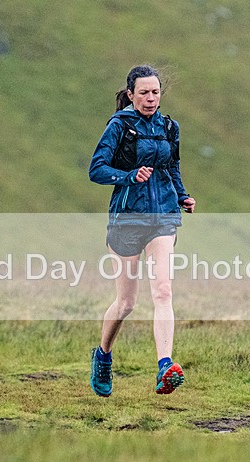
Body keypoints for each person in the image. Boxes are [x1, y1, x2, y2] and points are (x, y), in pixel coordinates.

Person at [88, 64, 196, 397]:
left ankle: (165, 365)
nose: (151, 98)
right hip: (127, 219)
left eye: (156, 92)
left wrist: (182, 196)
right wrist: (129, 176)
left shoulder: (169, 127)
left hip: (163, 215)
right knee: (127, 303)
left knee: (163, 291)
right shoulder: (119, 126)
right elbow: (97, 170)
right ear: (131, 95)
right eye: (144, 93)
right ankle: (103, 356)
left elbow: (172, 165)